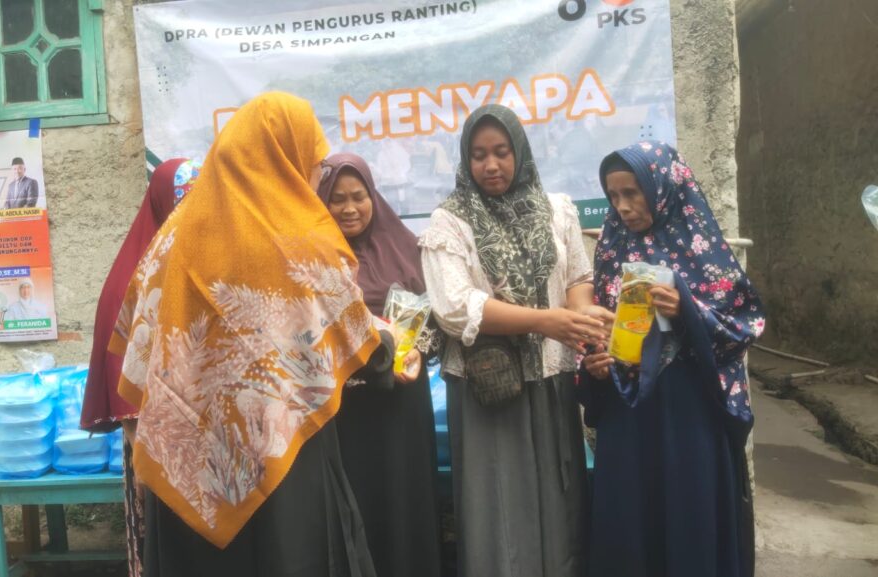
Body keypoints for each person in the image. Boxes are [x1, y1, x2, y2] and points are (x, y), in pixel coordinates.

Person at [110, 92, 382, 577]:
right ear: (286, 157)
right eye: (315, 162)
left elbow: (141, 335)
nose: (317, 175)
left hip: (189, 460)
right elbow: (354, 335)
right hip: (287, 467)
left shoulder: (172, 236)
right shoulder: (301, 241)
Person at [419, 104, 611, 577]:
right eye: (479, 155)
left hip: (550, 379)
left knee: (558, 501)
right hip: (488, 387)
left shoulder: (557, 210)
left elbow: (577, 278)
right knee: (499, 510)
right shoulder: (450, 221)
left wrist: (582, 314)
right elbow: (454, 306)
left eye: (501, 152)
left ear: (519, 152)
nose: (491, 165)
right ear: (466, 160)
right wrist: (545, 321)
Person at [580, 141, 764, 577]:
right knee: (630, 526)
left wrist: (688, 310)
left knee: (689, 519)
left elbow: (745, 325)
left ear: (662, 188)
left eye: (632, 193)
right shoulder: (611, 247)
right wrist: (595, 359)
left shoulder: (704, 250)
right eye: (613, 196)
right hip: (628, 419)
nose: (622, 207)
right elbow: (602, 325)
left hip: (690, 417)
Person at [317, 153, 441, 577]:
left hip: (402, 406)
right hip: (345, 411)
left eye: (359, 196)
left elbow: (434, 321)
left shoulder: (404, 247)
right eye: (337, 199)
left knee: (406, 505)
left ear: (374, 196)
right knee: (356, 505)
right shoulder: (313, 258)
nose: (350, 208)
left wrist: (418, 349)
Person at [80, 157, 197, 577]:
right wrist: (139, 447)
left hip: (203, 436)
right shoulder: (131, 277)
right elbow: (122, 369)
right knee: (162, 546)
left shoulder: (202, 260)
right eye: (183, 203)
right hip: (153, 437)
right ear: (163, 204)